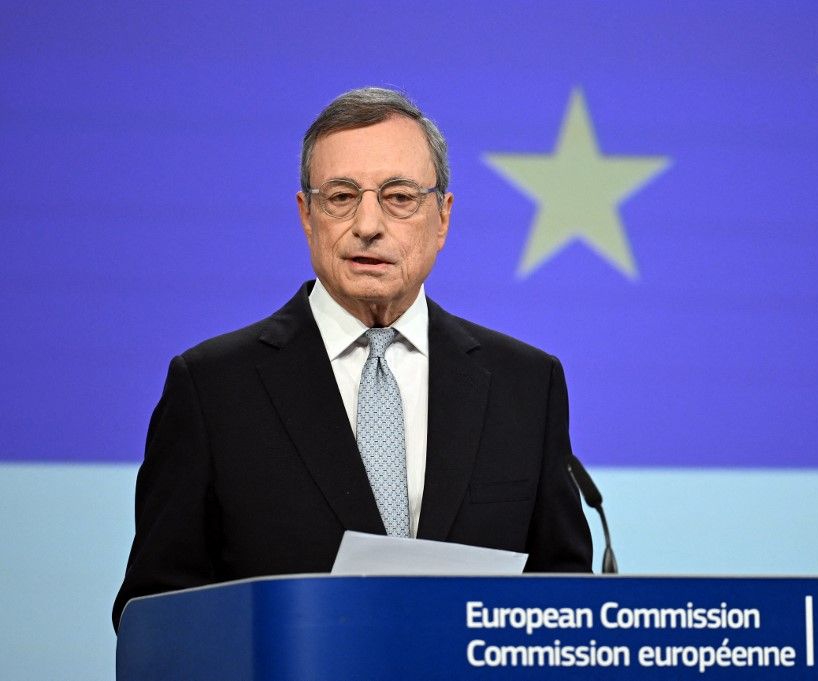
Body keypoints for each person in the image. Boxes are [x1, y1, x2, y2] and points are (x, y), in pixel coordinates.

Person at [112, 87, 592, 631]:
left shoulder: (524, 384)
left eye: (399, 197)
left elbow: (566, 604)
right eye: (341, 196)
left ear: (442, 218)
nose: (368, 224)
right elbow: (152, 612)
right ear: (307, 216)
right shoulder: (213, 388)